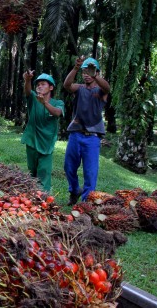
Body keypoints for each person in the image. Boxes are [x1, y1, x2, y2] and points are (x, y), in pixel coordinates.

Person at [63, 56, 111, 205]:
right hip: (76, 134)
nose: (86, 74)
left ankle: (86, 203)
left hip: (92, 137)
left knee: (90, 172)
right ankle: (74, 190)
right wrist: (76, 68)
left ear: (96, 72)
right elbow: (67, 85)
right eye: (84, 71)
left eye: (89, 71)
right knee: (69, 166)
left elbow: (107, 88)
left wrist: (95, 75)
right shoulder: (79, 88)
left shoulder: (101, 90)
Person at [21, 70, 64, 192]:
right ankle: (30, 197)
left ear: (51, 87)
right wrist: (28, 80)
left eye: (43, 84)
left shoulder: (58, 103)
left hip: (46, 143)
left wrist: (44, 103)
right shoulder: (33, 99)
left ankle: (44, 200)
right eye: (38, 84)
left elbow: (57, 113)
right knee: (31, 172)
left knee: (44, 174)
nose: (39, 86)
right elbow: (28, 91)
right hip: (32, 140)